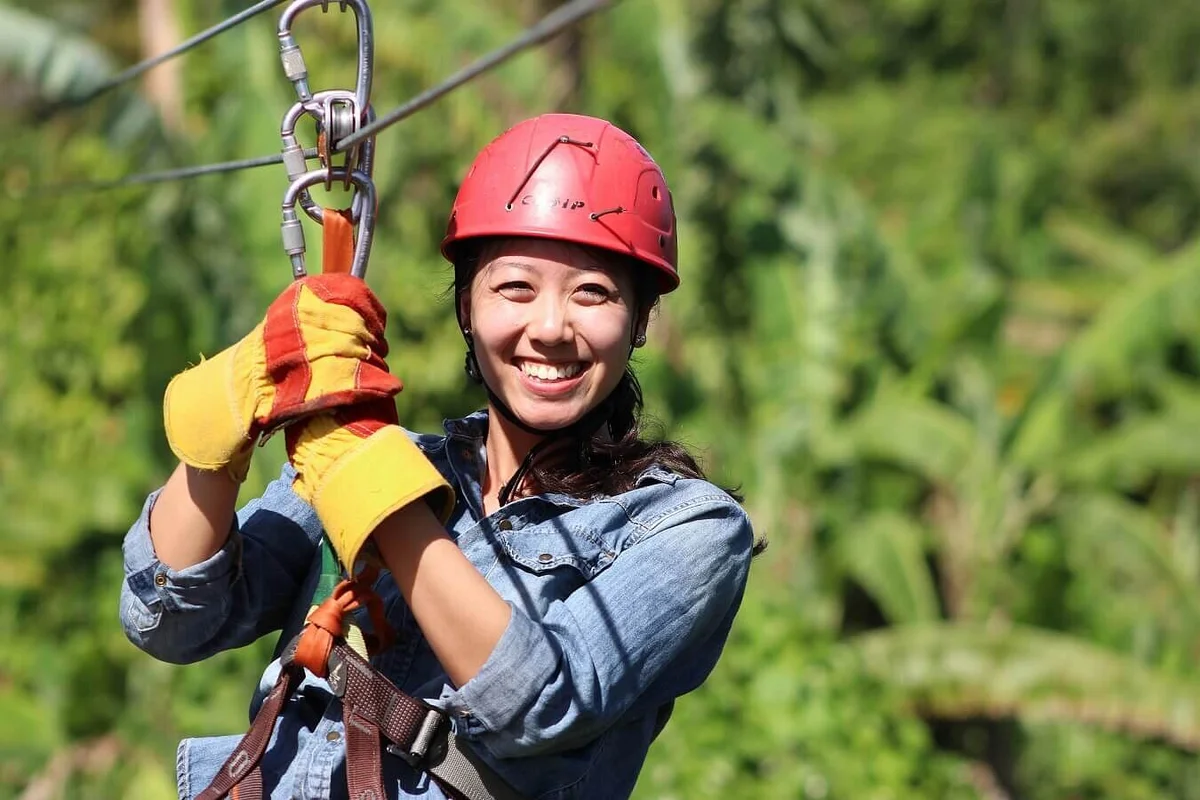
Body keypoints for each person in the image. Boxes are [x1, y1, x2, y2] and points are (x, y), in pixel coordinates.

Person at [119, 113, 757, 800]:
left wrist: (368, 485)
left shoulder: (689, 529)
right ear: (466, 308)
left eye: (593, 293)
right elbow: (171, 622)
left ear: (638, 320)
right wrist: (216, 444)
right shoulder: (383, 459)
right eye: (515, 287)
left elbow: (537, 703)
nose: (549, 327)